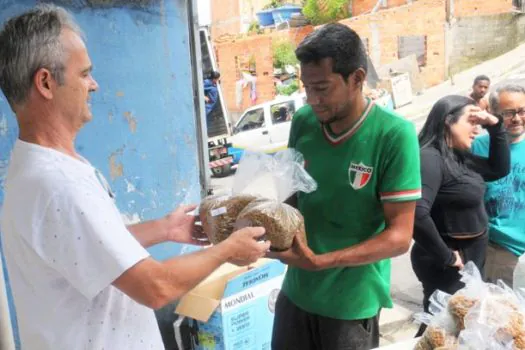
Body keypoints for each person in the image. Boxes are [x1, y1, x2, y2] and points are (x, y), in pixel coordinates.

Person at [0, 5, 269, 350]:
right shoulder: (58, 185)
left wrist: (164, 230)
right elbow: (155, 288)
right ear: (46, 82)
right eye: (84, 74)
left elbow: (84, 246)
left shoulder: (36, 169)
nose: (94, 85)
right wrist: (228, 251)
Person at [267, 23, 422, 350]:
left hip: (349, 305)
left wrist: (321, 261)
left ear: (357, 78)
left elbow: (399, 237)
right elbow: (291, 196)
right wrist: (264, 225)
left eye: (322, 88)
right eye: (306, 87)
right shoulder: (304, 121)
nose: (313, 100)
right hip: (295, 292)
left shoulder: (393, 135)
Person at [412, 95, 510, 336]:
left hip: (470, 257)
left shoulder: (457, 156)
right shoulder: (430, 157)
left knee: (460, 326)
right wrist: (446, 257)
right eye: (471, 121)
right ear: (448, 121)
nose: (476, 130)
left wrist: (495, 125)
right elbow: (416, 211)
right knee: (442, 328)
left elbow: (499, 169)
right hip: (448, 264)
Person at [471, 84, 525, 287]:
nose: (517, 118)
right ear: (493, 114)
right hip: (497, 243)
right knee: (497, 306)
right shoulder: (478, 146)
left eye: (522, 111)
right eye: (509, 113)